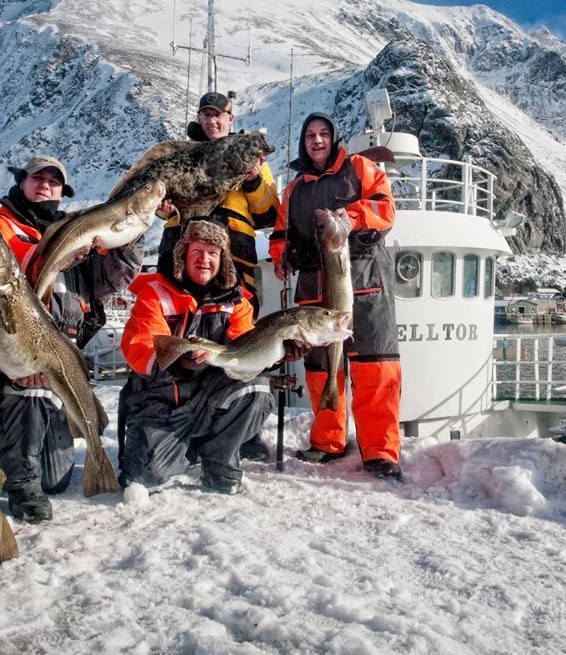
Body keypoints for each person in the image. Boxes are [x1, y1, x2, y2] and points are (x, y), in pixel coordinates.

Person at [0, 155, 140, 521]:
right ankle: (18, 478)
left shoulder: (77, 231)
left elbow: (113, 277)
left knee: (56, 479)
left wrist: (131, 234)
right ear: (21, 183)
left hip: (65, 354)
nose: (44, 185)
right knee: (32, 388)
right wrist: (56, 249)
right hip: (19, 353)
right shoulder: (0, 226)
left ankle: (56, 460)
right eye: (36, 178)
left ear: (63, 191)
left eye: (53, 182)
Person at [270, 113, 404, 481]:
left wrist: (350, 216)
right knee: (319, 369)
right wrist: (281, 257)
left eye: (323, 134)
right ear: (303, 142)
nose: (317, 140)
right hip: (315, 289)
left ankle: (380, 452)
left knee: (374, 369)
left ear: (333, 138)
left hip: (364, 282)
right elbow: (282, 232)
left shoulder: (360, 168)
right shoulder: (294, 189)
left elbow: (385, 209)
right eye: (310, 135)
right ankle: (328, 441)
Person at [118, 218, 274, 494]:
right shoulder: (155, 293)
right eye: (197, 252)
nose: (205, 260)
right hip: (162, 402)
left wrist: (279, 352)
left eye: (213, 253)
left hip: (208, 398)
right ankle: (186, 446)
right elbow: (140, 347)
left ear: (223, 259)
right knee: (145, 477)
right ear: (183, 254)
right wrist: (181, 363)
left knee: (257, 387)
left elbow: (246, 349)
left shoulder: (238, 300)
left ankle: (219, 461)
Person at [156, 91, 279, 309]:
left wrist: (252, 181)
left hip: (235, 257)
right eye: (206, 115)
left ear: (230, 118)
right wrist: (162, 207)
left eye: (218, 115)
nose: (212, 121)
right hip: (184, 256)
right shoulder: (183, 156)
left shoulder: (254, 158)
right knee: (177, 320)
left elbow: (269, 214)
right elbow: (165, 207)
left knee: (236, 325)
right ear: (198, 118)